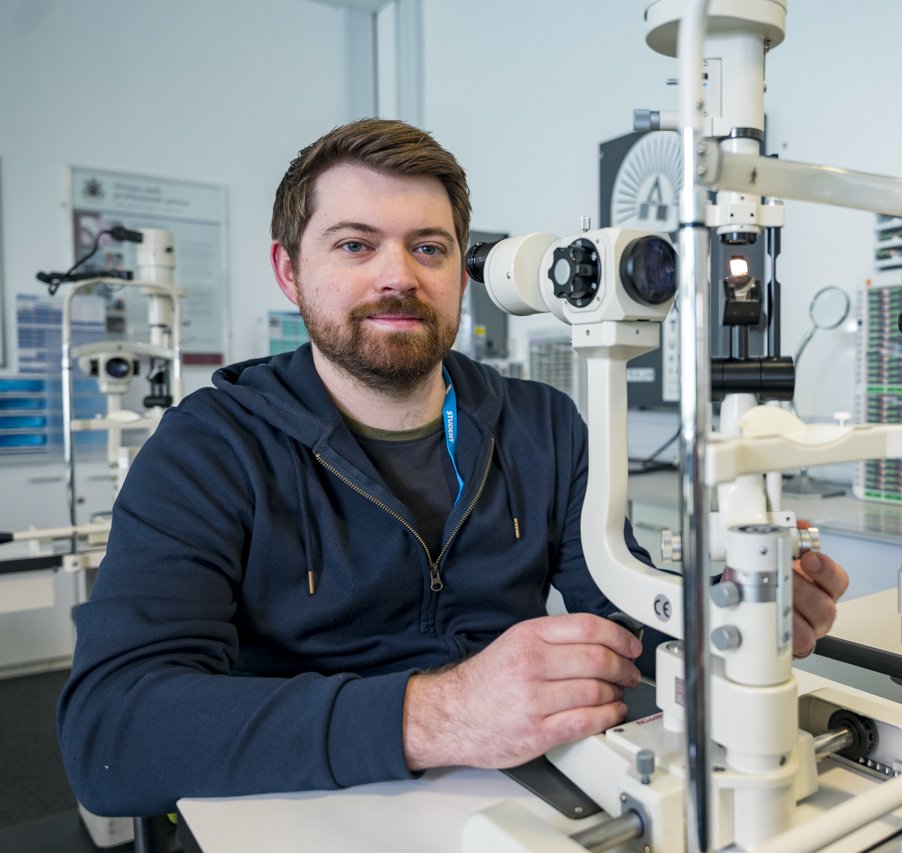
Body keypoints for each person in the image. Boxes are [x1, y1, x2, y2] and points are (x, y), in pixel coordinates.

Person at [57, 117, 849, 818]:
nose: (397, 274)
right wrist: (433, 714)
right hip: (304, 811)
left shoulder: (544, 426)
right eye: (355, 244)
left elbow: (622, 617)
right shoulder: (210, 448)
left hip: (514, 802)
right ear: (289, 271)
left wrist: (727, 616)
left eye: (428, 247)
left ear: (461, 276)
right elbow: (111, 732)